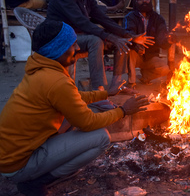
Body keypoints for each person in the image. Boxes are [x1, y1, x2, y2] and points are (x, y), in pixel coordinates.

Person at [0, 20, 149, 196]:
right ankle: (35, 182)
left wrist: (106, 94)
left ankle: (41, 170)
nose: (78, 48)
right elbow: (87, 122)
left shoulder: (42, 70)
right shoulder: (56, 81)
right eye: (72, 44)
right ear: (58, 49)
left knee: (80, 113)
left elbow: (73, 98)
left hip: (12, 155)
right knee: (101, 137)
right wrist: (123, 111)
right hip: (18, 165)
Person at [47, 0, 154, 91]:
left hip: (77, 36)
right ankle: (99, 90)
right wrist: (109, 36)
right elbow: (82, 23)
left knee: (123, 41)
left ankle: (116, 84)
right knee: (95, 41)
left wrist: (129, 35)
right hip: (61, 37)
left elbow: (103, 19)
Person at [111, 0, 174, 89]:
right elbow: (128, 33)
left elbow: (161, 39)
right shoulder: (130, 17)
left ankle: (146, 77)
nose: (144, 1)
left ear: (150, 1)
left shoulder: (158, 19)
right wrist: (136, 45)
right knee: (129, 51)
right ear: (136, 2)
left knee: (165, 69)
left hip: (150, 55)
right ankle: (131, 82)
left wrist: (169, 40)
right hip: (135, 54)